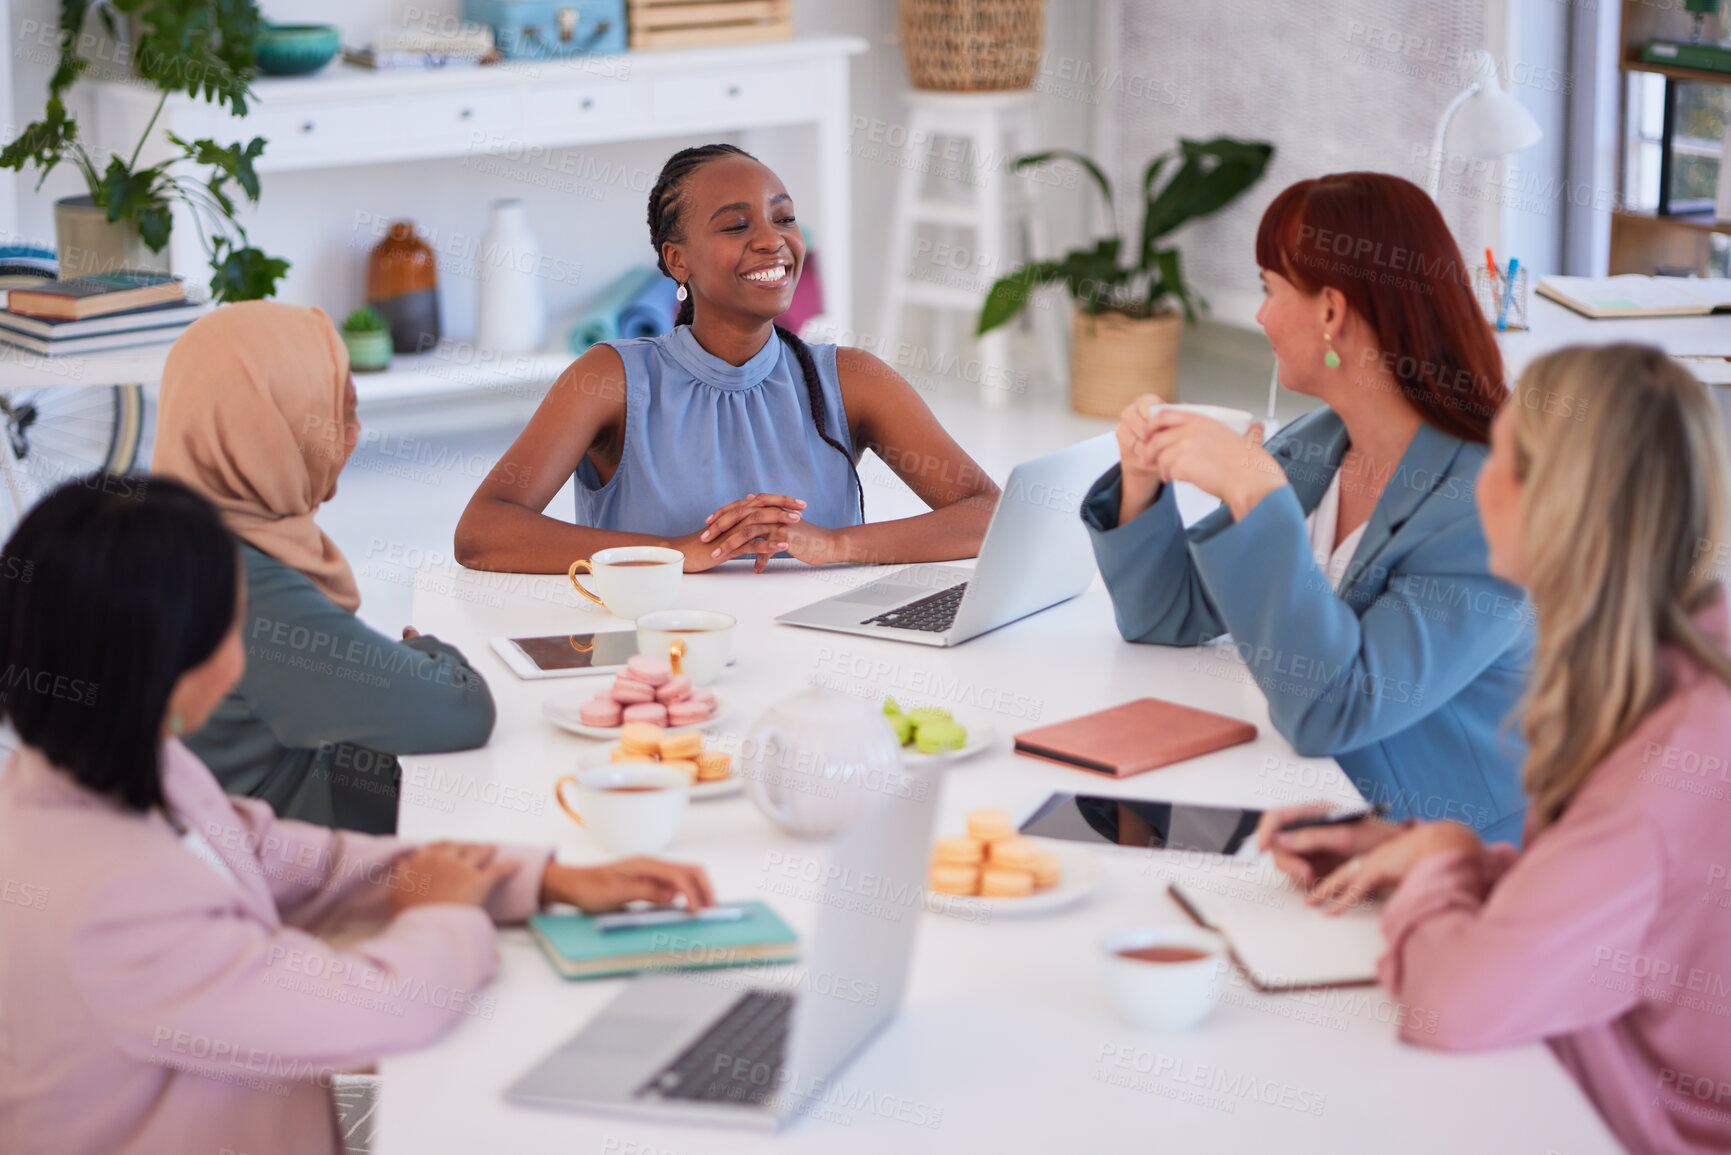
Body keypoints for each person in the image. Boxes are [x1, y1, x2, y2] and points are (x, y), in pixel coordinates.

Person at [0, 476, 713, 1155]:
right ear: (170, 664)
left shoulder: (99, 760)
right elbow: (375, 1008)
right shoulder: (107, 906)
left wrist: (536, 879)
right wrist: (445, 909)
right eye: (231, 624)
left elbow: (278, 856)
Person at [1259, 344, 1731, 1154]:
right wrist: (1432, 853)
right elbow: (1618, 910)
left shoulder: (1668, 766)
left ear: (1562, 504)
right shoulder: (1669, 670)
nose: (1479, 482)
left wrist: (1442, 868)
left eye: (1503, 462)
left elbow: (1456, 1004)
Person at [1080, 172, 1531, 843]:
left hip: (1444, 858)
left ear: (1330, 313)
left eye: (1267, 289)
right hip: (1314, 813)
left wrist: (1255, 496)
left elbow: (1337, 710)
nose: (1259, 315)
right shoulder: (1317, 446)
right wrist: (1142, 477)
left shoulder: (1487, 513)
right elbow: (1164, 614)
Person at [453, 143, 1001, 575]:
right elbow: (483, 532)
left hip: (817, 660)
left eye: (783, 219)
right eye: (737, 226)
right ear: (677, 260)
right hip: (660, 659)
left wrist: (836, 544)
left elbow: (989, 513)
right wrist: (673, 553)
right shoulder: (610, 379)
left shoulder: (851, 379)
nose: (773, 241)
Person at [152, 301, 494, 832]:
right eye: (337, 414)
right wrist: (430, 651)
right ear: (268, 427)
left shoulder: (160, 545)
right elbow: (460, 711)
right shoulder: (243, 587)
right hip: (272, 889)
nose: (353, 435)